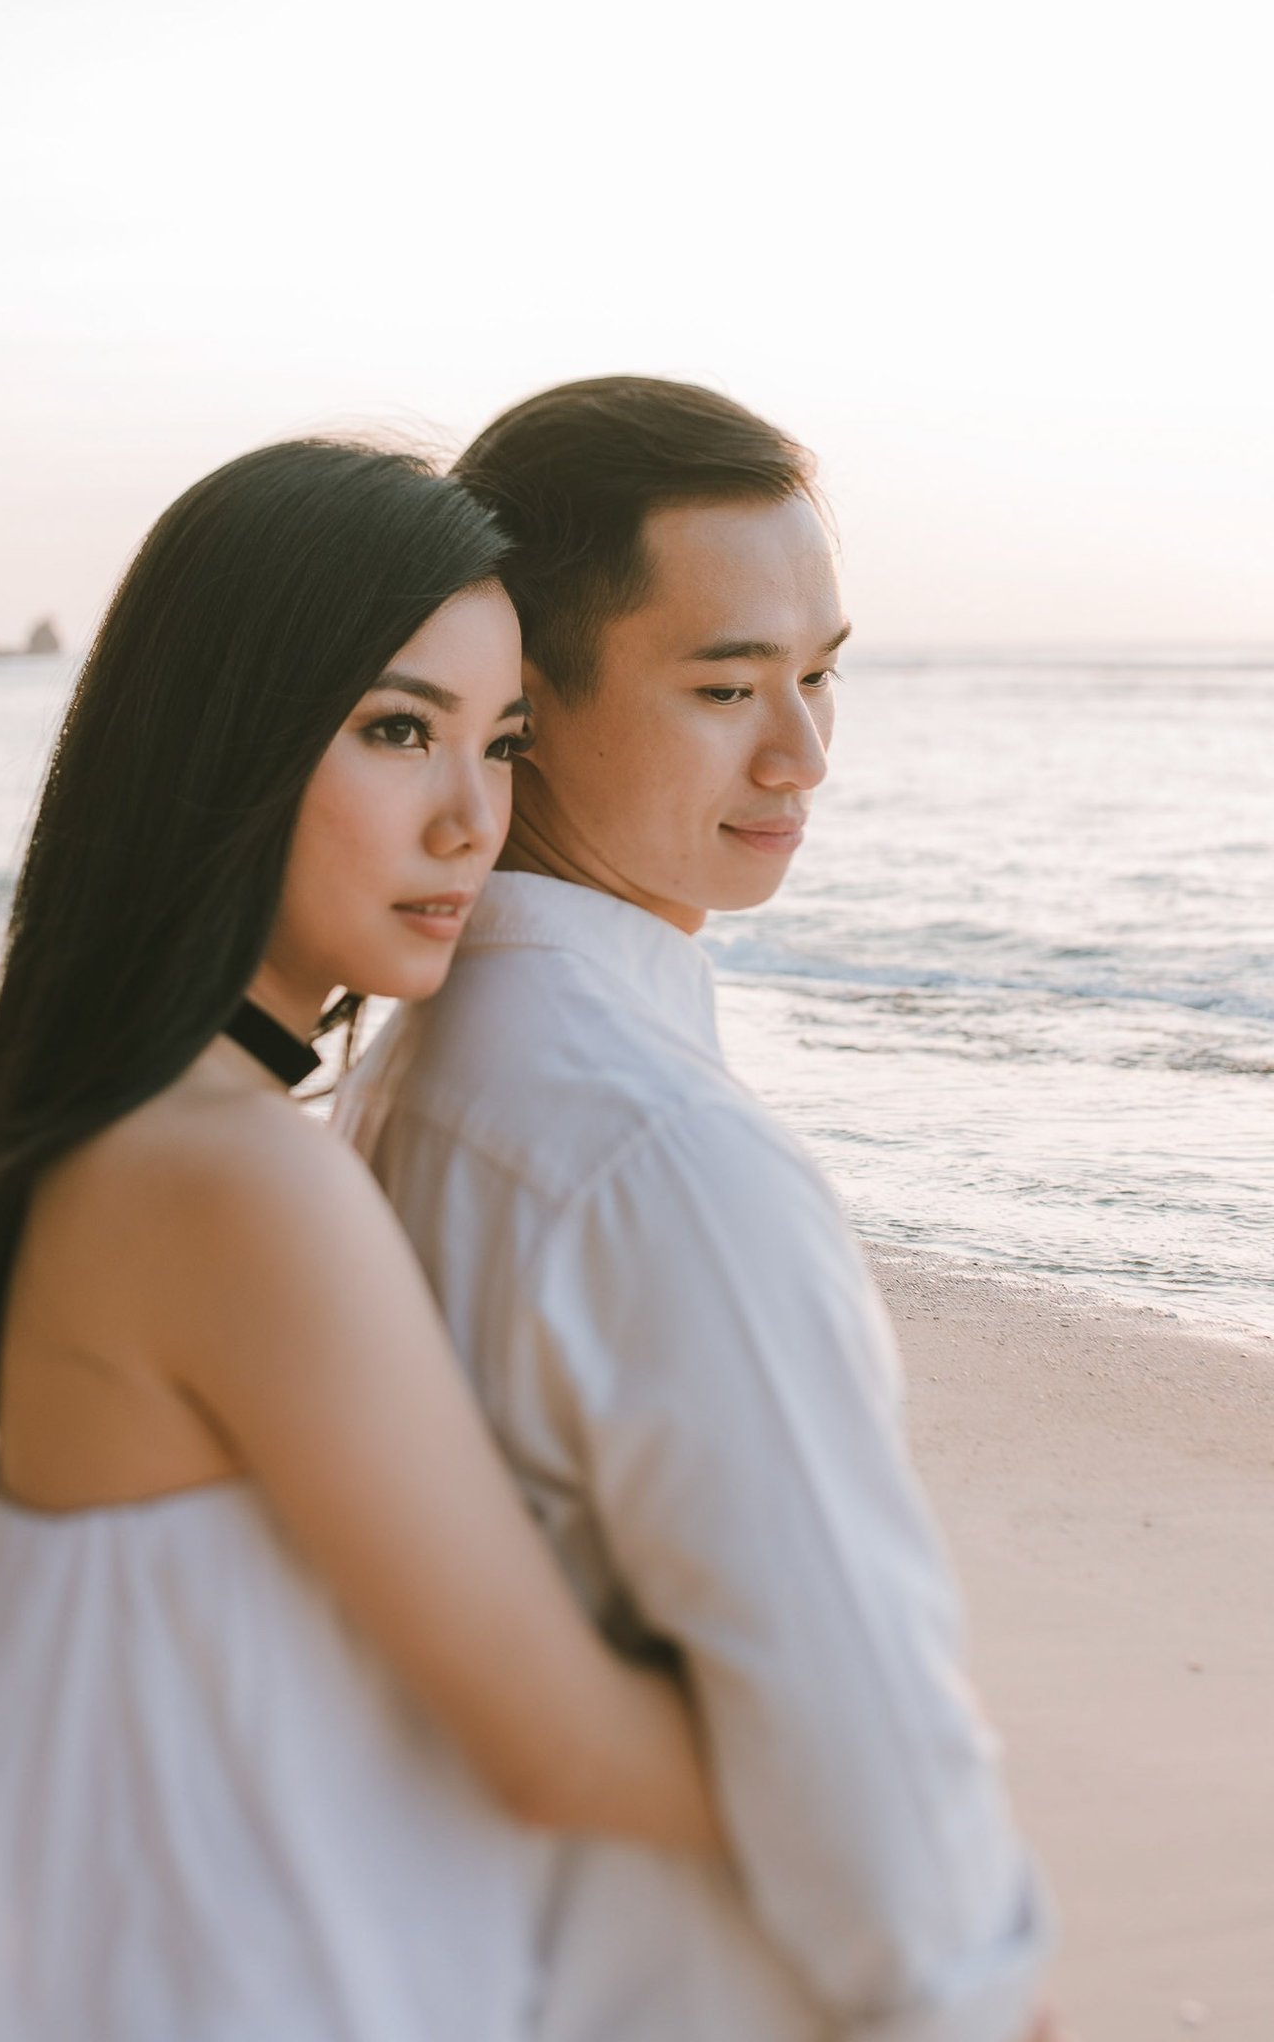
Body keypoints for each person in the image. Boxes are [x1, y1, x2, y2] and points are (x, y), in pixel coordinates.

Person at [0, 439, 723, 2042]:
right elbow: (559, 1745)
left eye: (504, 741)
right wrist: (901, 1822)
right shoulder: (231, 1181)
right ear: (226, 746)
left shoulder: (126, 1135)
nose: (472, 820)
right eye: (399, 730)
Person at [336, 378, 1062, 2042]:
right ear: (528, 696)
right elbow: (861, 1761)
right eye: (727, 684)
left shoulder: (418, 1060)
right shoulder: (656, 1161)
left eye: (820, 676)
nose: (802, 752)